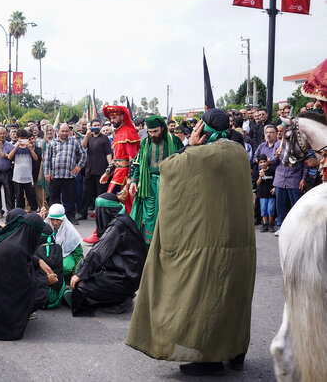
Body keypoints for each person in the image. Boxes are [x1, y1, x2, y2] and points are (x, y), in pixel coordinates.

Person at [126, 108, 256, 377]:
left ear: (203, 130)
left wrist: (189, 145)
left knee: (209, 297)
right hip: (239, 243)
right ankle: (236, 353)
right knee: (234, 297)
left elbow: (168, 169)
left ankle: (210, 359)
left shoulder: (200, 155)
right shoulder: (238, 151)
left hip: (211, 242)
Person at [0, 212, 56, 340]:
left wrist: (39, 261)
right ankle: (15, 317)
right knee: (42, 294)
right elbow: (22, 285)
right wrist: (46, 280)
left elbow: (23, 257)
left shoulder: (8, 238)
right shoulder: (16, 251)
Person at [67, 193, 147, 316]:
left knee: (81, 287)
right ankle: (122, 293)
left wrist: (80, 275)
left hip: (124, 276)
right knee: (88, 274)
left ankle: (120, 300)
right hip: (128, 273)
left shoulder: (117, 226)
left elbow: (97, 253)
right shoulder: (122, 218)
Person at [129, 115, 181, 246]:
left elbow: (183, 162)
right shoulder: (145, 143)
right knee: (149, 218)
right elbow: (138, 164)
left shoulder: (174, 141)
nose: (152, 134)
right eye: (150, 132)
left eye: (155, 131)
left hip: (169, 185)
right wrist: (134, 181)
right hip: (149, 185)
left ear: (162, 128)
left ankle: (166, 247)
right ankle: (149, 247)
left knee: (167, 216)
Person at [98, 105, 140, 211]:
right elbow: (116, 157)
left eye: (114, 117)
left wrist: (131, 178)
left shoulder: (128, 132)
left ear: (122, 116)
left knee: (123, 203)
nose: (112, 120)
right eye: (111, 118)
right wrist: (107, 172)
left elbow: (133, 158)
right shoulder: (118, 132)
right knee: (112, 201)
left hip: (125, 175)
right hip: (117, 173)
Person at [44, 123, 86, 225]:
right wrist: (47, 173)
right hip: (55, 176)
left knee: (71, 198)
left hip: (69, 176)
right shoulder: (52, 143)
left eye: (66, 131)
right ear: (58, 131)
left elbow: (83, 154)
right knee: (54, 198)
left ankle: (71, 216)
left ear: (69, 131)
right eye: (62, 131)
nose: (64, 133)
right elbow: (47, 159)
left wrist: (79, 166)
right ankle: (55, 217)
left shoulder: (74, 142)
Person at [78, 118, 112, 220]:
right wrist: (87, 135)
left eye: (98, 125)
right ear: (90, 126)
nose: (96, 127)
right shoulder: (89, 137)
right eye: (95, 125)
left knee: (101, 194)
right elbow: (83, 147)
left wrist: (110, 169)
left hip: (101, 170)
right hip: (89, 170)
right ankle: (83, 213)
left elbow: (108, 154)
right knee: (86, 193)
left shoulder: (104, 139)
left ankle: (101, 215)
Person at [44, 204, 83, 283]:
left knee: (65, 266)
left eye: (58, 220)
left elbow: (79, 254)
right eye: (52, 219)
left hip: (66, 256)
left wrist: (75, 274)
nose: (54, 223)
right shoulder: (48, 227)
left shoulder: (71, 231)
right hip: (51, 255)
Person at [8, 129, 38, 212]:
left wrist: (31, 149)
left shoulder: (29, 147)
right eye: (21, 138)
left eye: (25, 138)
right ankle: (19, 211)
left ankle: (34, 209)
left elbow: (36, 158)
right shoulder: (15, 147)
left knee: (31, 195)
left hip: (28, 176)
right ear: (17, 138)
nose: (23, 140)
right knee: (19, 196)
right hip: (18, 176)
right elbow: (9, 157)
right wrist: (17, 146)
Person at [256, 154, 276, 232]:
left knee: (270, 209)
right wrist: (260, 176)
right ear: (259, 164)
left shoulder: (271, 170)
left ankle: (271, 223)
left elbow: (275, 180)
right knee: (263, 209)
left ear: (267, 162)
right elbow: (257, 183)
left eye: (264, 162)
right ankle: (265, 224)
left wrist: (274, 188)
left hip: (271, 194)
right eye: (261, 162)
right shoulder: (258, 172)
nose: (263, 164)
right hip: (262, 194)